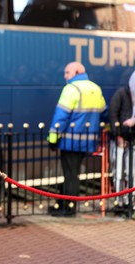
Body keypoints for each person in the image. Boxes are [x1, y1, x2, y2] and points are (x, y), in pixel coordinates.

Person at [47, 61, 107, 217]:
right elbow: (103, 113)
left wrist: (53, 138)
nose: (65, 76)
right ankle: (63, 204)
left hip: (69, 141)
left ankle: (68, 208)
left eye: (68, 72)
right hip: (88, 140)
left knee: (70, 174)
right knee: (73, 173)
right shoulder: (95, 88)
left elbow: (61, 117)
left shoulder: (71, 89)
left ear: (78, 71)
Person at [108, 70, 135, 211]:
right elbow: (113, 114)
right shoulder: (121, 94)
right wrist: (118, 135)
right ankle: (119, 201)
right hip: (121, 140)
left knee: (133, 173)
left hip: (133, 141)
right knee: (118, 171)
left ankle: (131, 201)